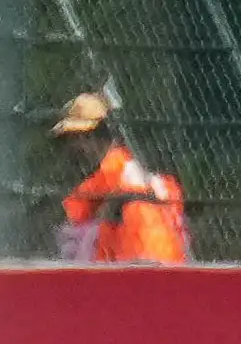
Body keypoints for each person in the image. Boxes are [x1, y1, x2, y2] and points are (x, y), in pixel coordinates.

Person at [51, 91, 189, 264]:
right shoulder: (143, 173)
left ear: (90, 136)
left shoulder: (113, 173)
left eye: (73, 139)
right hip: (175, 269)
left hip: (137, 271)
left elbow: (74, 217)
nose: (69, 149)